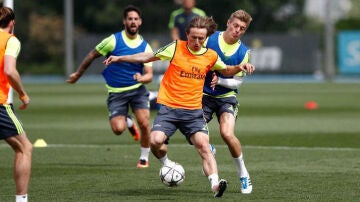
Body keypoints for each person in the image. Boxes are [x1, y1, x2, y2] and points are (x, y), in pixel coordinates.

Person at [104, 16, 255, 198]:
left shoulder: (210, 55)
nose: (197, 42)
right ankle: (167, 162)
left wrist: (240, 66)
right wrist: (120, 58)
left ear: (205, 37)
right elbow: (148, 56)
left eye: (201, 38)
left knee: (205, 146)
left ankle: (216, 185)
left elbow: (226, 70)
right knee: (154, 141)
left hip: (193, 111)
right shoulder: (175, 47)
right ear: (187, 35)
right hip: (169, 109)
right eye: (194, 38)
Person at [67, 5, 153, 168]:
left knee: (144, 122)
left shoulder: (145, 47)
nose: (133, 22)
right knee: (118, 129)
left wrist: (142, 78)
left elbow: (149, 75)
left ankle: (143, 158)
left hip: (137, 91)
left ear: (140, 22)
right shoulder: (113, 41)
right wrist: (78, 74)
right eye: (130, 19)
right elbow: (92, 54)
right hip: (116, 93)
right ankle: (127, 122)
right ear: (124, 21)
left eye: (136, 19)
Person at [202, 9, 253, 194]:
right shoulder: (209, 39)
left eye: (242, 28)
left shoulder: (243, 52)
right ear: (228, 23)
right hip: (203, 96)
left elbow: (237, 82)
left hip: (226, 98)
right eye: (236, 25)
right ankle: (208, 149)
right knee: (193, 133)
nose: (238, 30)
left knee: (227, 133)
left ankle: (243, 174)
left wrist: (220, 80)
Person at [0, 7, 32, 202]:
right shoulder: (11, 40)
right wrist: (22, 94)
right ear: (12, 23)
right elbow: (10, 71)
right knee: (24, 147)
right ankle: (21, 200)